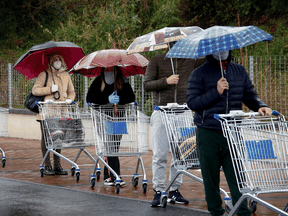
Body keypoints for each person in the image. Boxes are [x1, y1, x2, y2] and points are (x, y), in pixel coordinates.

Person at [186, 50, 272, 216]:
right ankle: (216, 211)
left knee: (237, 176)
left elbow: (249, 95)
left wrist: (260, 105)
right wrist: (216, 91)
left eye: (224, 48)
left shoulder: (239, 71)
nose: (221, 52)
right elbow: (192, 102)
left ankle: (242, 211)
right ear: (210, 50)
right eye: (217, 48)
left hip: (232, 131)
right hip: (207, 131)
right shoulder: (199, 73)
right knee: (210, 178)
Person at [144, 44, 206, 207]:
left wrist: (212, 44)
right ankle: (158, 190)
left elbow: (209, 60)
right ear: (169, 45)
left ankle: (174, 190)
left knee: (181, 154)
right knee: (160, 154)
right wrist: (166, 81)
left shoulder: (189, 61)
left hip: (183, 112)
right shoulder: (157, 60)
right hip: (161, 112)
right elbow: (147, 84)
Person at [86, 66, 135, 186]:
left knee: (115, 147)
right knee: (109, 146)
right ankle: (115, 175)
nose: (109, 70)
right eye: (107, 68)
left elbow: (131, 97)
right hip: (103, 118)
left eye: (112, 68)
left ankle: (109, 175)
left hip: (119, 117)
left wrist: (120, 100)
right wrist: (107, 99)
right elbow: (90, 98)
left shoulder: (123, 80)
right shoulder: (98, 81)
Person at [32, 54, 75, 176]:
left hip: (61, 111)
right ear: (50, 61)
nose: (57, 61)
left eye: (59, 59)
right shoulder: (44, 74)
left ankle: (57, 165)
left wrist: (70, 100)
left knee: (58, 138)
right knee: (46, 138)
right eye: (55, 59)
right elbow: (35, 90)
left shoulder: (66, 75)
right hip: (47, 111)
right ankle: (47, 165)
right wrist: (50, 89)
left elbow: (71, 92)